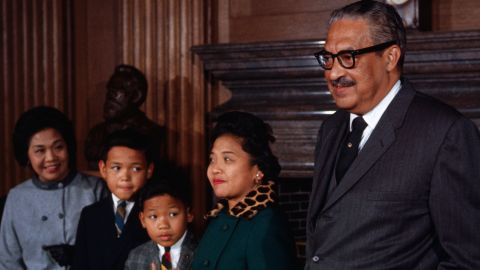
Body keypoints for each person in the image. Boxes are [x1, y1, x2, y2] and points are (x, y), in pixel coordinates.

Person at [306, 1, 480, 269]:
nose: (333, 72)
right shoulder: (331, 128)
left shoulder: (446, 133)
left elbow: (467, 259)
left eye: (348, 57)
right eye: (328, 58)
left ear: (390, 57)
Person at [0, 106, 106, 269]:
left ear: (68, 147)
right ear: (26, 155)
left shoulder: (94, 189)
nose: (50, 158)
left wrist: (78, 254)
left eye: (58, 147)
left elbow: (111, 249)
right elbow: (8, 262)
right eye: (39, 151)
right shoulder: (16, 198)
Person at [192, 111, 297, 270]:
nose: (215, 169)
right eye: (212, 159)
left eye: (227, 159)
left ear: (258, 170)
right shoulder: (219, 216)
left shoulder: (267, 224)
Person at [72, 129, 153, 270]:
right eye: (116, 168)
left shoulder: (155, 214)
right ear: (103, 169)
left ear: (149, 171)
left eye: (135, 169)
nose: (125, 177)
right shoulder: (90, 215)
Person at [84, 64, 165, 172]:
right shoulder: (96, 133)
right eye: (109, 90)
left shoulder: (150, 132)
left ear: (136, 96)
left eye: (116, 91)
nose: (109, 96)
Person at [124, 176, 196, 270]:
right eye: (153, 216)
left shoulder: (203, 252)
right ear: (143, 220)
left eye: (173, 214)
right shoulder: (136, 256)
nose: (163, 225)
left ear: (189, 214)